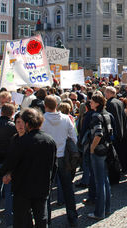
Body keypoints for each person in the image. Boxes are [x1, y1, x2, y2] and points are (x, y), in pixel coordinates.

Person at [0, 108, 57, 228]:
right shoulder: (49, 140)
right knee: (41, 218)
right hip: (42, 186)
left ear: (27, 124)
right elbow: (54, 165)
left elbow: (12, 161)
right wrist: (50, 182)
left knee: (22, 220)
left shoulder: (22, 141)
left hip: (23, 187)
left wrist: (1, 172)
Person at [41, 95, 78, 226]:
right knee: (68, 187)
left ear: (45, 106)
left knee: (46, 190)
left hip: (47, 158)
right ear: (56, 105)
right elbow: (74, 138)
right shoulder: (66, 119)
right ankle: (72, 215)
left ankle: (46, 218)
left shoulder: (41, 120)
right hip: (63, 157)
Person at [87, 94, 114, 220]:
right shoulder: (107, 114)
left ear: (97, 103)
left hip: (98, 150)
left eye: (92, 101)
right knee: (104, 180)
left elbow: (98, 134)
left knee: (100, 182)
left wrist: (92, 148)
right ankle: (107, 208)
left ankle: (99, 212)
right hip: (106, 148)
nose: (90, 103)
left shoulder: (96, 116)